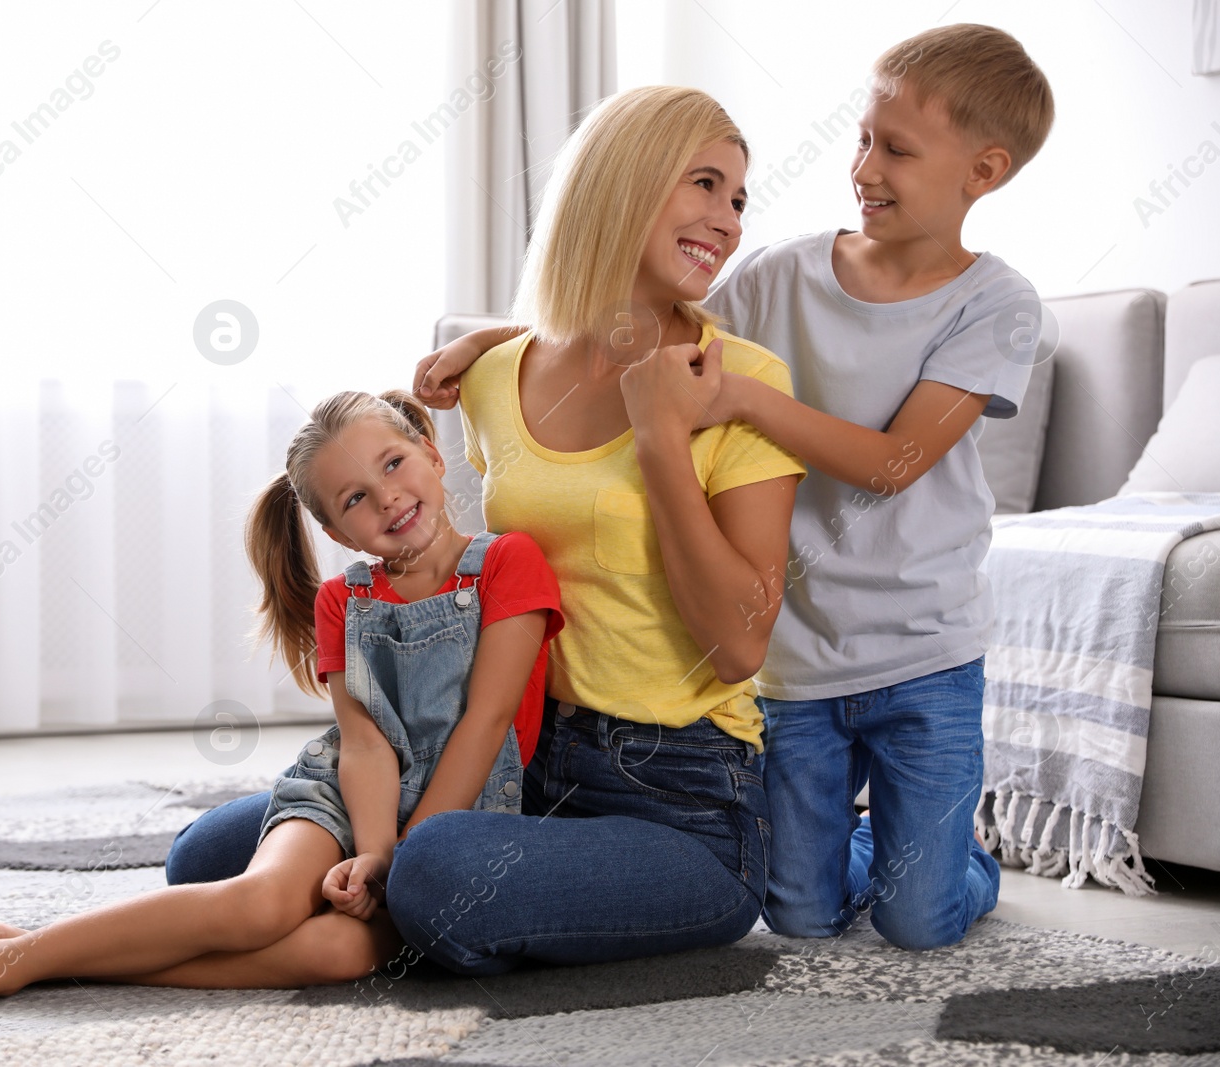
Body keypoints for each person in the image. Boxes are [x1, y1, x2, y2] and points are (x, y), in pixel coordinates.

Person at [416, 25, 1055, 951]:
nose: (865, 166)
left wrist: (742, 401)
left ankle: (958, 856)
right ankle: (892, 840)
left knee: (919, 917)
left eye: (898, 149)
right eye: (864, 139)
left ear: (983, 171)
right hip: (797, 655)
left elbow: (891, 464)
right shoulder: (780, 274)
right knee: (800, 909)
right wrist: (495, 341)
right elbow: (644, 316)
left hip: (923, 645)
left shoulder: (994, 303)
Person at [166, 85, 806, 976]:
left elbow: (739, 646)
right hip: (517, 759)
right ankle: (394, 913)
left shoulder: (740, 382)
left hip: (683, 800)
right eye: (706, 184)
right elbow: (547, 346)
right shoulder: (499, 374)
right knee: (201, 858)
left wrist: (661, 435)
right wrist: (492, 342)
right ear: (622, 182)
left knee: (429, 869)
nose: (729, 221)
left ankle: (90, 962)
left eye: (739, 198)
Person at [0, 389, 563, 1019]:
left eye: (392, 463)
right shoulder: (343, 601)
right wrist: (376, 850)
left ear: (434, 456)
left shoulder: (508, 561)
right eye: (353, 498)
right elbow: (364, 743)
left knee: (337, 954)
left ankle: (49, 960)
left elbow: (484, 721)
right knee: (260, 903)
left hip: (456, 816)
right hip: (347, 797)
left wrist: (403, 863)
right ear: (337, 533)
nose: (385, 497)